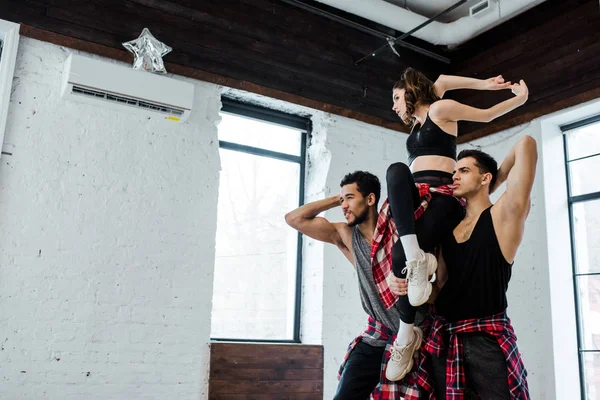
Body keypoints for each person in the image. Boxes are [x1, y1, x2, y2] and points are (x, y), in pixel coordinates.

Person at [382, 69, 530, 381]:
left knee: (397, 260)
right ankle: (417, 258)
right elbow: (444, 80)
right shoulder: (423, 117)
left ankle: (405, 336)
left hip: (441, 197)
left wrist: (517, 99)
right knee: (396, 170)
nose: (394, 107)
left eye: (396, 98)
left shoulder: (439, 110)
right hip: (415, 199)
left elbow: (487, 116)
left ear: (409, 91)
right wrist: (484, 83)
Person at [418, 139, 537, 399]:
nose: (455, 176)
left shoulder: (504, 215)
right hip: (445, 338)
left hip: (487, 341)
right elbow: (439, 287)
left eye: (464, 171)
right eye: (454, 172)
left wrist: (490, 183)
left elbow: (525, 144)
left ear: (485, 179)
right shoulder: (448, 231)